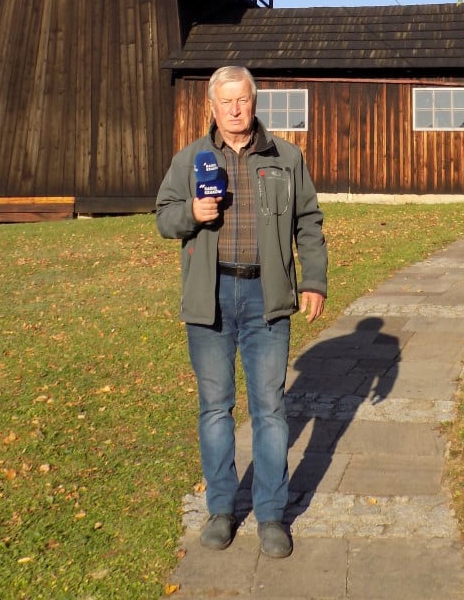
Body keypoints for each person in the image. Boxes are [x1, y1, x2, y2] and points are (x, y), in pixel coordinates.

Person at [156, 66, 327, 559]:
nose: (235, 109)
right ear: (212, 107)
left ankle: (271, 515)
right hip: (208, 297)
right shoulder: (191, 159)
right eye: (226, 101)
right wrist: (191, 213)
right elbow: (164, 217)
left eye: (243, 100)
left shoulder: (285, 157)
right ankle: (221, 510)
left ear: (254, 102)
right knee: (215, 408)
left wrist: (313, 279)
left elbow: (309, 221)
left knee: (269, 409)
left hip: (265, 298)